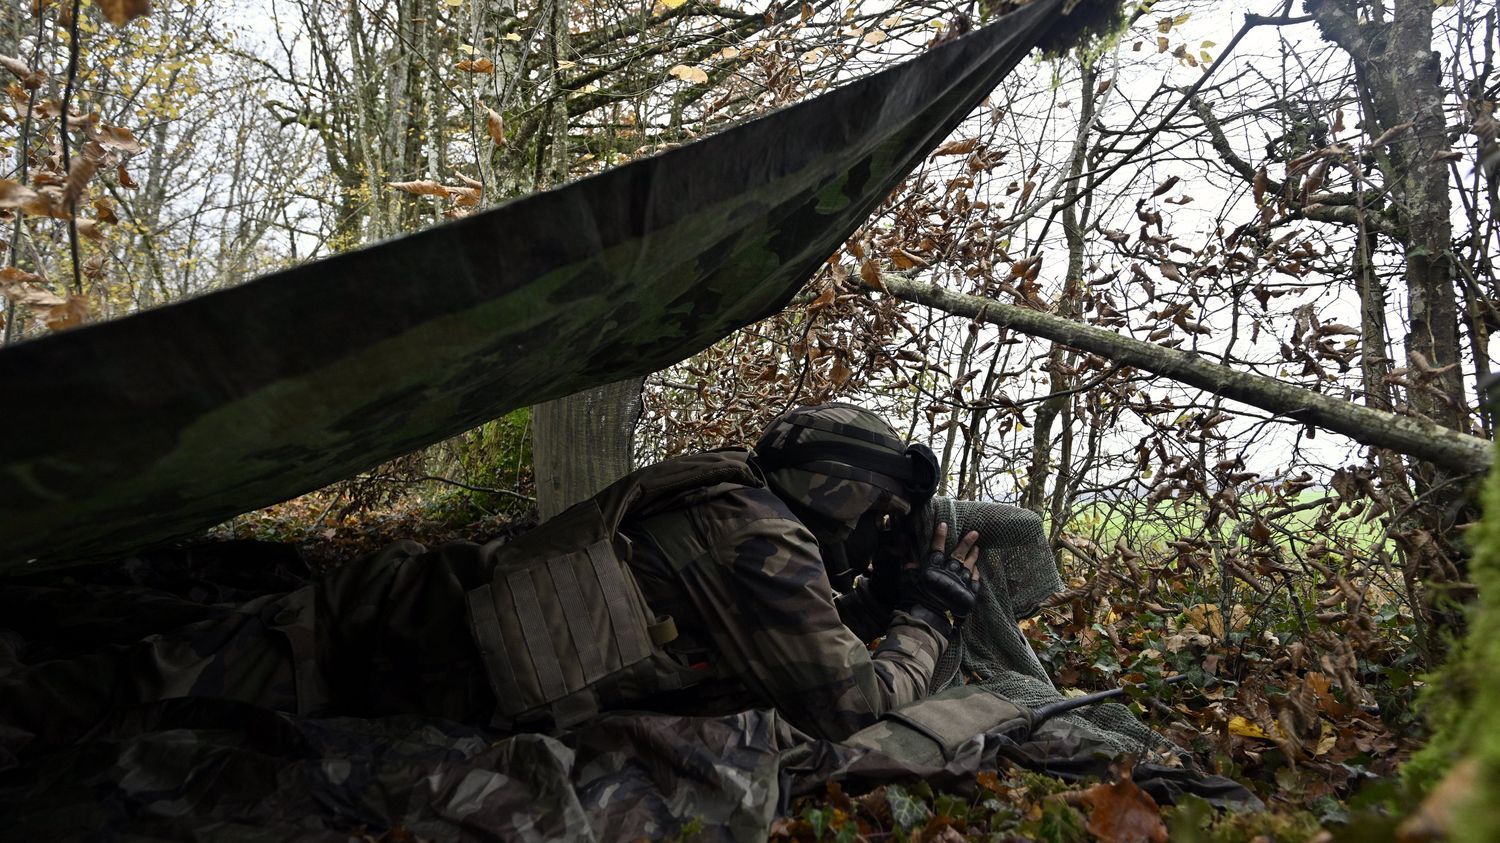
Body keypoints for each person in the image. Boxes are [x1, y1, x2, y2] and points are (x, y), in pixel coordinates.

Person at [0, 403, 980, 759]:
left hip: (405, 624)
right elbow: (845, 702)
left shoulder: (737, 505)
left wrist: (886, 602)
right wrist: (930, 615)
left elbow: (782, 640)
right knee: (136, 689)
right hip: (384, 639)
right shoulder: (762, 542)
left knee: (159, 669)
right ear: (847, 494)